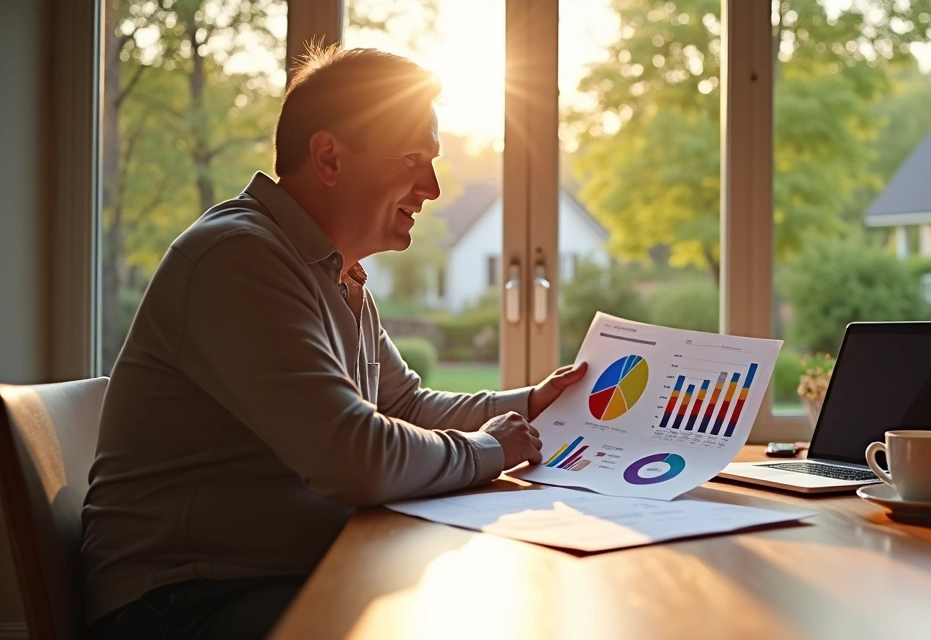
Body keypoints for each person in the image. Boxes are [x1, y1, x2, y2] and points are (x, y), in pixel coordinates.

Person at [81, 45, 587, 639]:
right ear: (329, 157)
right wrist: (488, 450)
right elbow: (355, 457)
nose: (431, 186)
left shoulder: (332, 271)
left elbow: (404, 408)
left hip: (261, 577)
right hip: (181, 603)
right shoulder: (238, 258)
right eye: (412, 159)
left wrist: (528, 405)